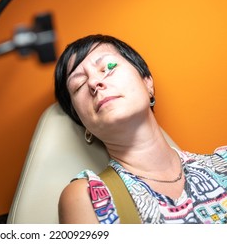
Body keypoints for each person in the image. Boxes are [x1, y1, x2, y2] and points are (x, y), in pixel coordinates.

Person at [54, 34, 227, 224]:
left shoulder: (223, 163)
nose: (94, 83)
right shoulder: (87, 197)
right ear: (82, 122)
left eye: (108, 67)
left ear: (147, 83)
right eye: (78, 85)